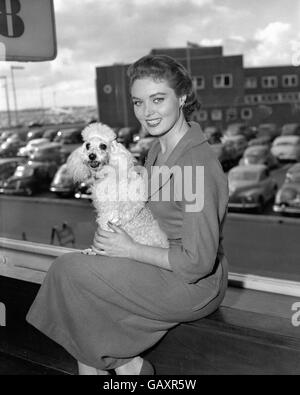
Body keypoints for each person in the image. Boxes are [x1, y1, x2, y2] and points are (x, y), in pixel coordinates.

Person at [26, 54, 229, 375]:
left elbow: (198, 262)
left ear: (184, 97)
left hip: (192, 282)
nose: (146, 112)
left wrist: (129, 249)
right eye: (138, 102)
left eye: (158, 99)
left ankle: (125, 365)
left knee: (68, 271)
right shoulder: (157, 151)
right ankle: (127, 368)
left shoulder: (194, 165)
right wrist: (114, 225)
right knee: (76, 279)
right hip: (157, 257)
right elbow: (148, 211)